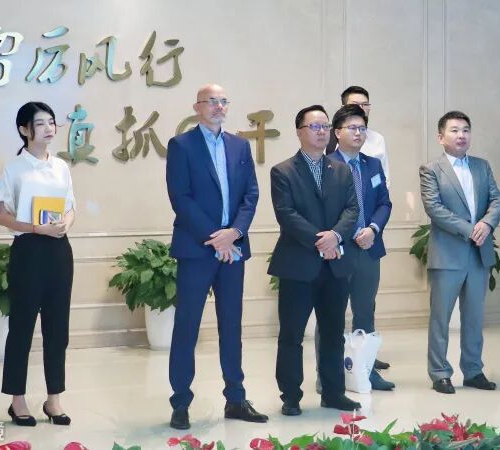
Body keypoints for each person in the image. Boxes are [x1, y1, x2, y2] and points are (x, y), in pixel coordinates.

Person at [165, 84, 266, 430]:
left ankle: (236, 399)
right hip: (197, 248)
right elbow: (180, 197)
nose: (219, 106)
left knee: (232, 325)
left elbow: (251, 194)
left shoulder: (239, 146)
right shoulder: (181, 145)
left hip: (233, 247)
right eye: (212, 101)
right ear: (198, 107)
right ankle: (180, 402)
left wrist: (234, 232)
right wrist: (215, 237)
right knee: (187, 326)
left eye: (223, 101)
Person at [269, 105, 361, 416]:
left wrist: (335, 236)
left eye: (325, 126)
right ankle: (291, 396)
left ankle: (334, 393)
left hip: (335, 266)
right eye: (315, 126)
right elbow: (287, 214)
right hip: (298, 265)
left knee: (333, 333)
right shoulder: (283, 171)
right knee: (292, 335)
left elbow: (352, 210)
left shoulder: (341, 169)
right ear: (299, 131)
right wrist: (321, 241)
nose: (322, 132)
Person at [0, 102, 76, 426]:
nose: (48, 128)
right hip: (28, 250)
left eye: (51, 122)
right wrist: (35, 228)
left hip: (59, 250)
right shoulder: (14, 168)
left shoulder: (61, 167)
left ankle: (54, 399)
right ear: (24, 129)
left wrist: (66, 223)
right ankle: (17, 400)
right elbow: (2, 216)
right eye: (40, 123)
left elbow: (70, 206)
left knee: (58, 328)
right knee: (22, 327)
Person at [419, 110, 500, 394]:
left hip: (479, 254)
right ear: (440, 137)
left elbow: (497, 200)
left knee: (474, 317)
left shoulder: (482, 166)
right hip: (448, 255)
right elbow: (434, 208)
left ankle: (473, 370)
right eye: (454, 130)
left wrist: (486, 224)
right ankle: (440, 373)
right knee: (440, 318)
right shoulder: (431, 169)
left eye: (466, 130)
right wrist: (470, 229)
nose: (461, 135)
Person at [326, 104, 395, 390]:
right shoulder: (325, 165)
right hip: (338, 251)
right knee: (332, 315)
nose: (358, 133)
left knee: (365, 313)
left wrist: (373, 229)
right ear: (337, 132)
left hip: (368, 248)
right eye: (352, 128)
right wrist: (345, 234)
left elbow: (384, 203)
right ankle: (327, 376)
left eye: (362, 128)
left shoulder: (372, 165)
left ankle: (367, 371)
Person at [325, 86, 390, 184]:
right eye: (355, 104)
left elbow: (383, 178)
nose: (361, 108)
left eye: (365, 105)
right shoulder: (328, 137)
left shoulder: (377, 139)